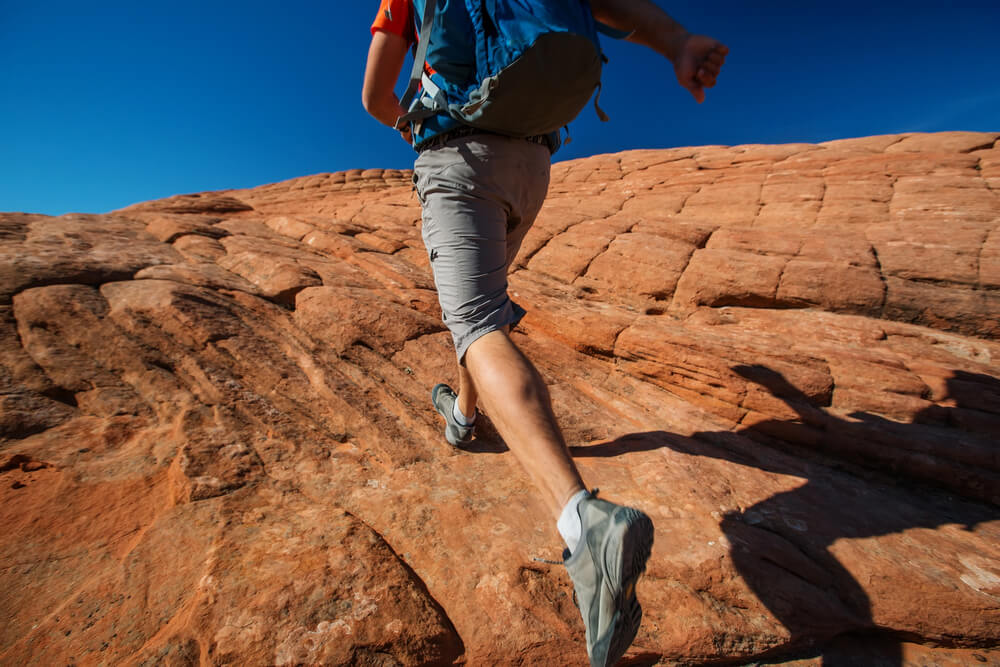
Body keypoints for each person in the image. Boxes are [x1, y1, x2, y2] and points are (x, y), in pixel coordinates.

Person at [362, 2, 727, 664]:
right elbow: (616, 8)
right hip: (532, 163)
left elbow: (374, 95)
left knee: (474, 321)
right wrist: (677, 43)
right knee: (487, 303)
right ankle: (464, 416)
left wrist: (413, 125)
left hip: (458, 154)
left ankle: (582, 524)